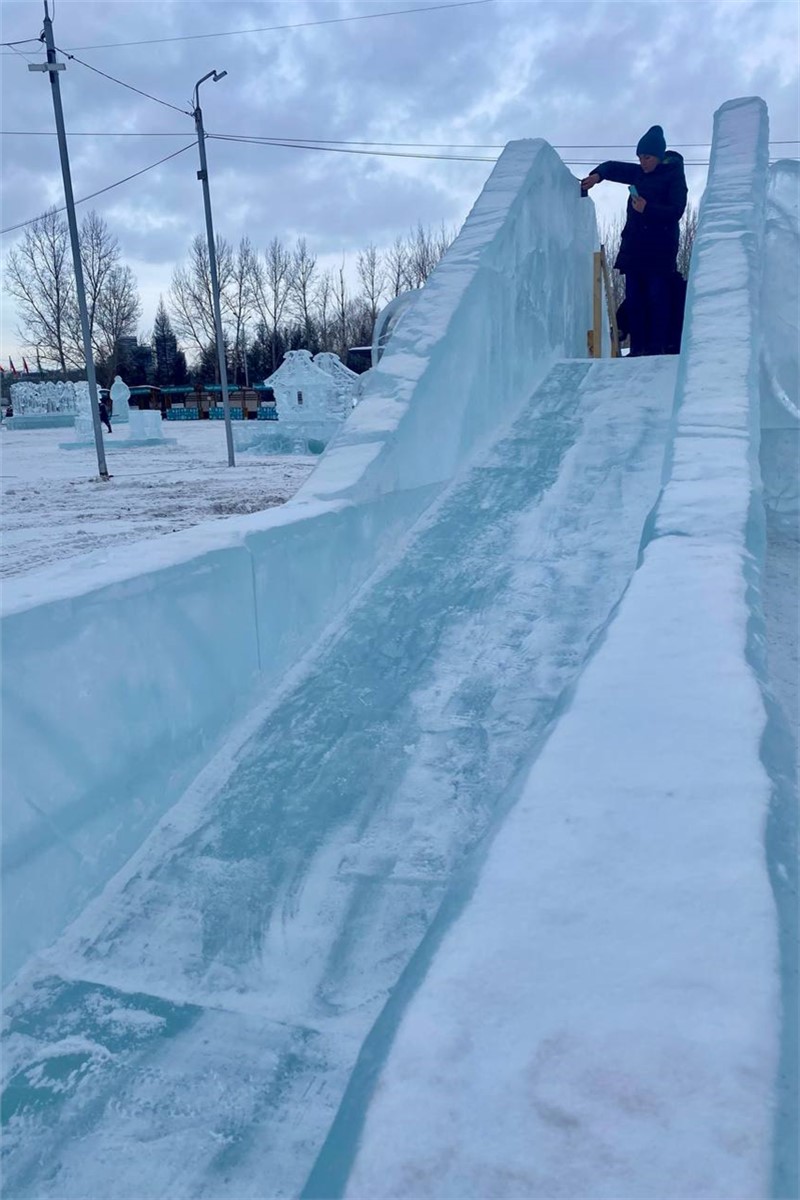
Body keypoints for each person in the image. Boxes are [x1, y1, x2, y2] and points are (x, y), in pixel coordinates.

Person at [582, 125, 687, 356]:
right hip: (634, 249)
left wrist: (647, 209)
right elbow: (613, 168)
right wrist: (597, 176)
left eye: (647, 157)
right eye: (639, 157)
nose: (643, 162)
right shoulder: (639, 172)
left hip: (660, 251)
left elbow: (676, 211)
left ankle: (657, 348)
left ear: (659, 157)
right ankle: (637, 348)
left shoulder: (674, 175)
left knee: (657, 298)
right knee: (634, 301)